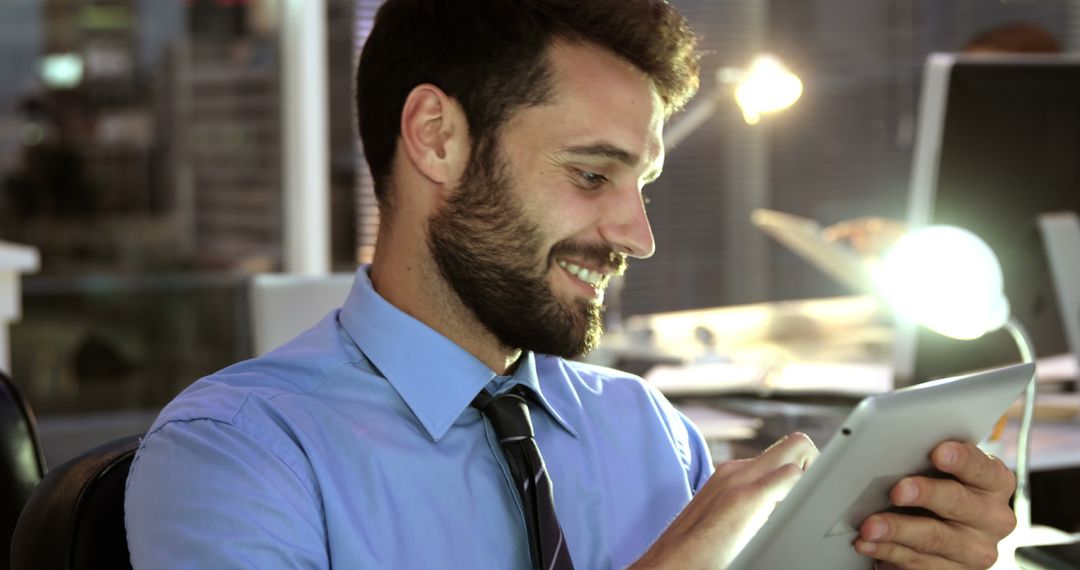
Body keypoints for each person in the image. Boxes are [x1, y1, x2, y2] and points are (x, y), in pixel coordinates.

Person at [124, 1, 1017, 568]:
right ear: (436, 137)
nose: (639, 235)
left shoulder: (652, 434)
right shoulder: (237, 457)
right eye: (592, 176)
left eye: (645, 186)